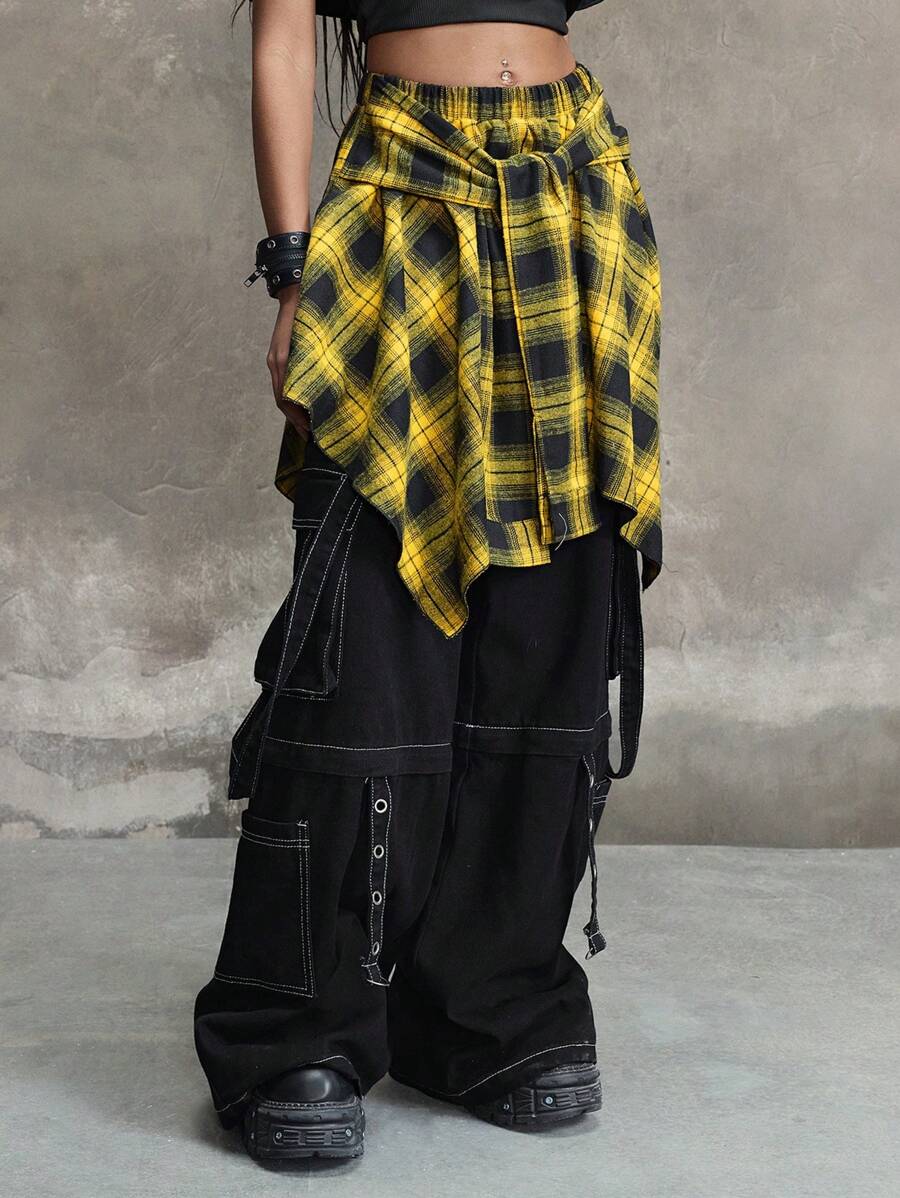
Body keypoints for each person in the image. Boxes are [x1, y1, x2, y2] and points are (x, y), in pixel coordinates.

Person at [193, 0, 662, 1161]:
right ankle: (297, 1025)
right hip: (399, 194)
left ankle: (490, 1007)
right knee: (364, 643)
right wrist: (291, 267)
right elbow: (282, 39)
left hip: (569, 186)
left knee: (547, 628)